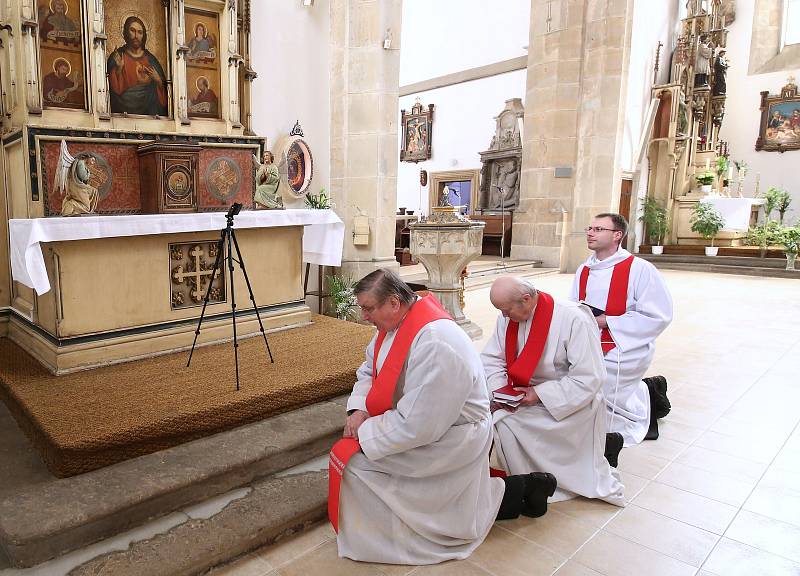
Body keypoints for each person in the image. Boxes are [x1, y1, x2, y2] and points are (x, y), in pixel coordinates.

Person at [329, 270, 557, 565]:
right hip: (424, 425)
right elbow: (369, 370)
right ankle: (522, 489)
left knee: (360, 466)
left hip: (452, 435)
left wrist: (367, 433)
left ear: (394, 303)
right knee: (379, 470)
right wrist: (360, 409)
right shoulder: (397, 325)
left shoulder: (437, 342)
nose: (363, 316)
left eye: (368, 308)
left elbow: (419, 425)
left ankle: (404, 536)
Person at [482, 276, 625, 506]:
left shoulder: (573, 319)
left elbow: (590, 378)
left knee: (505, 421)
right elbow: (491, 358)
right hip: (524, 392)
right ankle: (531, 475)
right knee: (491, 411)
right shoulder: (508, 317)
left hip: (568, 400)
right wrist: (500, 390)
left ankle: (539, 481)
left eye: (506, 311)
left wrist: (539, 394)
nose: (504, 317)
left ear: (526, 300)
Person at [570, 213, 673, 445]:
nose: (590, 233)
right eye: (590, 228)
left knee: (597, 380)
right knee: (571, 375)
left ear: (617, 235)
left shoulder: (640, 269)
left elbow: (659, 315)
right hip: (589, 338)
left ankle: (647, 396)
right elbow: (573, 305)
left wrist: (607, 321)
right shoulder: (584, 269)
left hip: (625, 343)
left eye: (598, 229)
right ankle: (646, 389)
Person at [107, 16, 168, 116]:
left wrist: (158, 80)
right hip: (121, 117)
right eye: (132, 30)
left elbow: (164, 95)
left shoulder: (151, 60)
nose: (136, 35)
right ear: (126, 32)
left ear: (143, 35)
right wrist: (119, 69)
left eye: (140, 32)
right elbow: (113, 91)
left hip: (150, 116)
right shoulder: (118, 57)